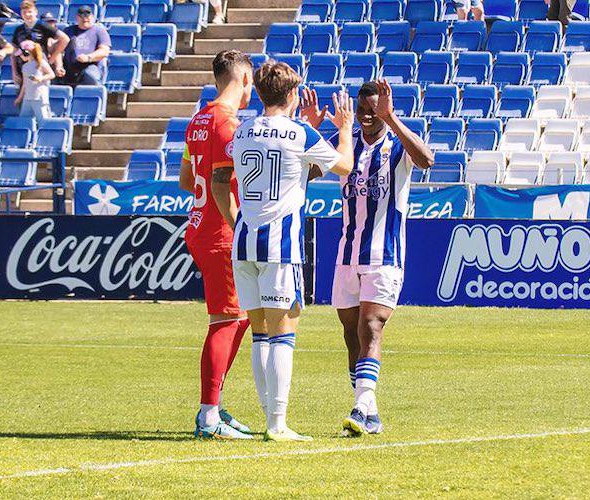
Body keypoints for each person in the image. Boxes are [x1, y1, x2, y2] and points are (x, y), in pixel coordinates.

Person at [300, 80, 434, 436]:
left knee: (371, 326)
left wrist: (393, 120)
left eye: (374, 110)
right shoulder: (347, 144)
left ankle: (360, 407)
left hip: (384, 254)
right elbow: (308, 171)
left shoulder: (396, 145)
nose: (367, 116)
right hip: (347, 254)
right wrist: (311, 129)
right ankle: (369, 410)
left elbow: (426, 160)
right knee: (350, 334)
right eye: (362, 110)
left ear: (384, 110)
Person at [231, 62, 355, 442]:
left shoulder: (242, 130)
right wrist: (343, 129)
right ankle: (277, 423)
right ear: (292, 95)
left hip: (244, 241)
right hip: (280, 245)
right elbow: (345, 165)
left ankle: (269, 417)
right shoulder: (300, 132)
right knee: (283, 333)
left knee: (260, 334)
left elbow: (289, 169)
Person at [179, 50, 253, 440]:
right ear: (242, 78)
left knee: (238, 317)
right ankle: (208, 415)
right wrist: (239, 224)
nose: (251, 91)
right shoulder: (228, 125)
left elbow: (185, 180)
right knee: (226, 319)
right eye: (250, 83)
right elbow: (222, 186)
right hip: (221, 232)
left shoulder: (198, 121)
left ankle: (216, 405)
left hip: (200, 224)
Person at [11, 0, 69, 84]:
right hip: (22, 68)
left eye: (30, 12)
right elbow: (14, 51)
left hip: (40, 66)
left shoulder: (42, 25)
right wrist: (14, 72)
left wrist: (52, 59)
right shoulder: (18, 29)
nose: (27, 15)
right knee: (22, 94)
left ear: (35, 12)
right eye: (24, 12)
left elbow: (65, 39)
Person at [62, 5, 111, 86]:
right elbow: (59, 49)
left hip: (90, 66)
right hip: (68, 67)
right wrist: (59, 66)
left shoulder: (99, 31)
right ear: (77, 17)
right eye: (81, 16)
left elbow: (104, 51)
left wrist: (88, 57)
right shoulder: (68, 31)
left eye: (87, 16)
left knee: (90, 76)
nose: (85, 19)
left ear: (92, 17)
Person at [15, 40, 54, 119]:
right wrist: (20, 97)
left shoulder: (41, 63)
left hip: (39, 98)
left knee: (43, 120)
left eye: (21, 54)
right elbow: (25, 84)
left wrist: (41, 78)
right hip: (27, 98)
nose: (20, 57)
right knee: (23, 121)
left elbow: (51, 74)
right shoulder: (25, 66)